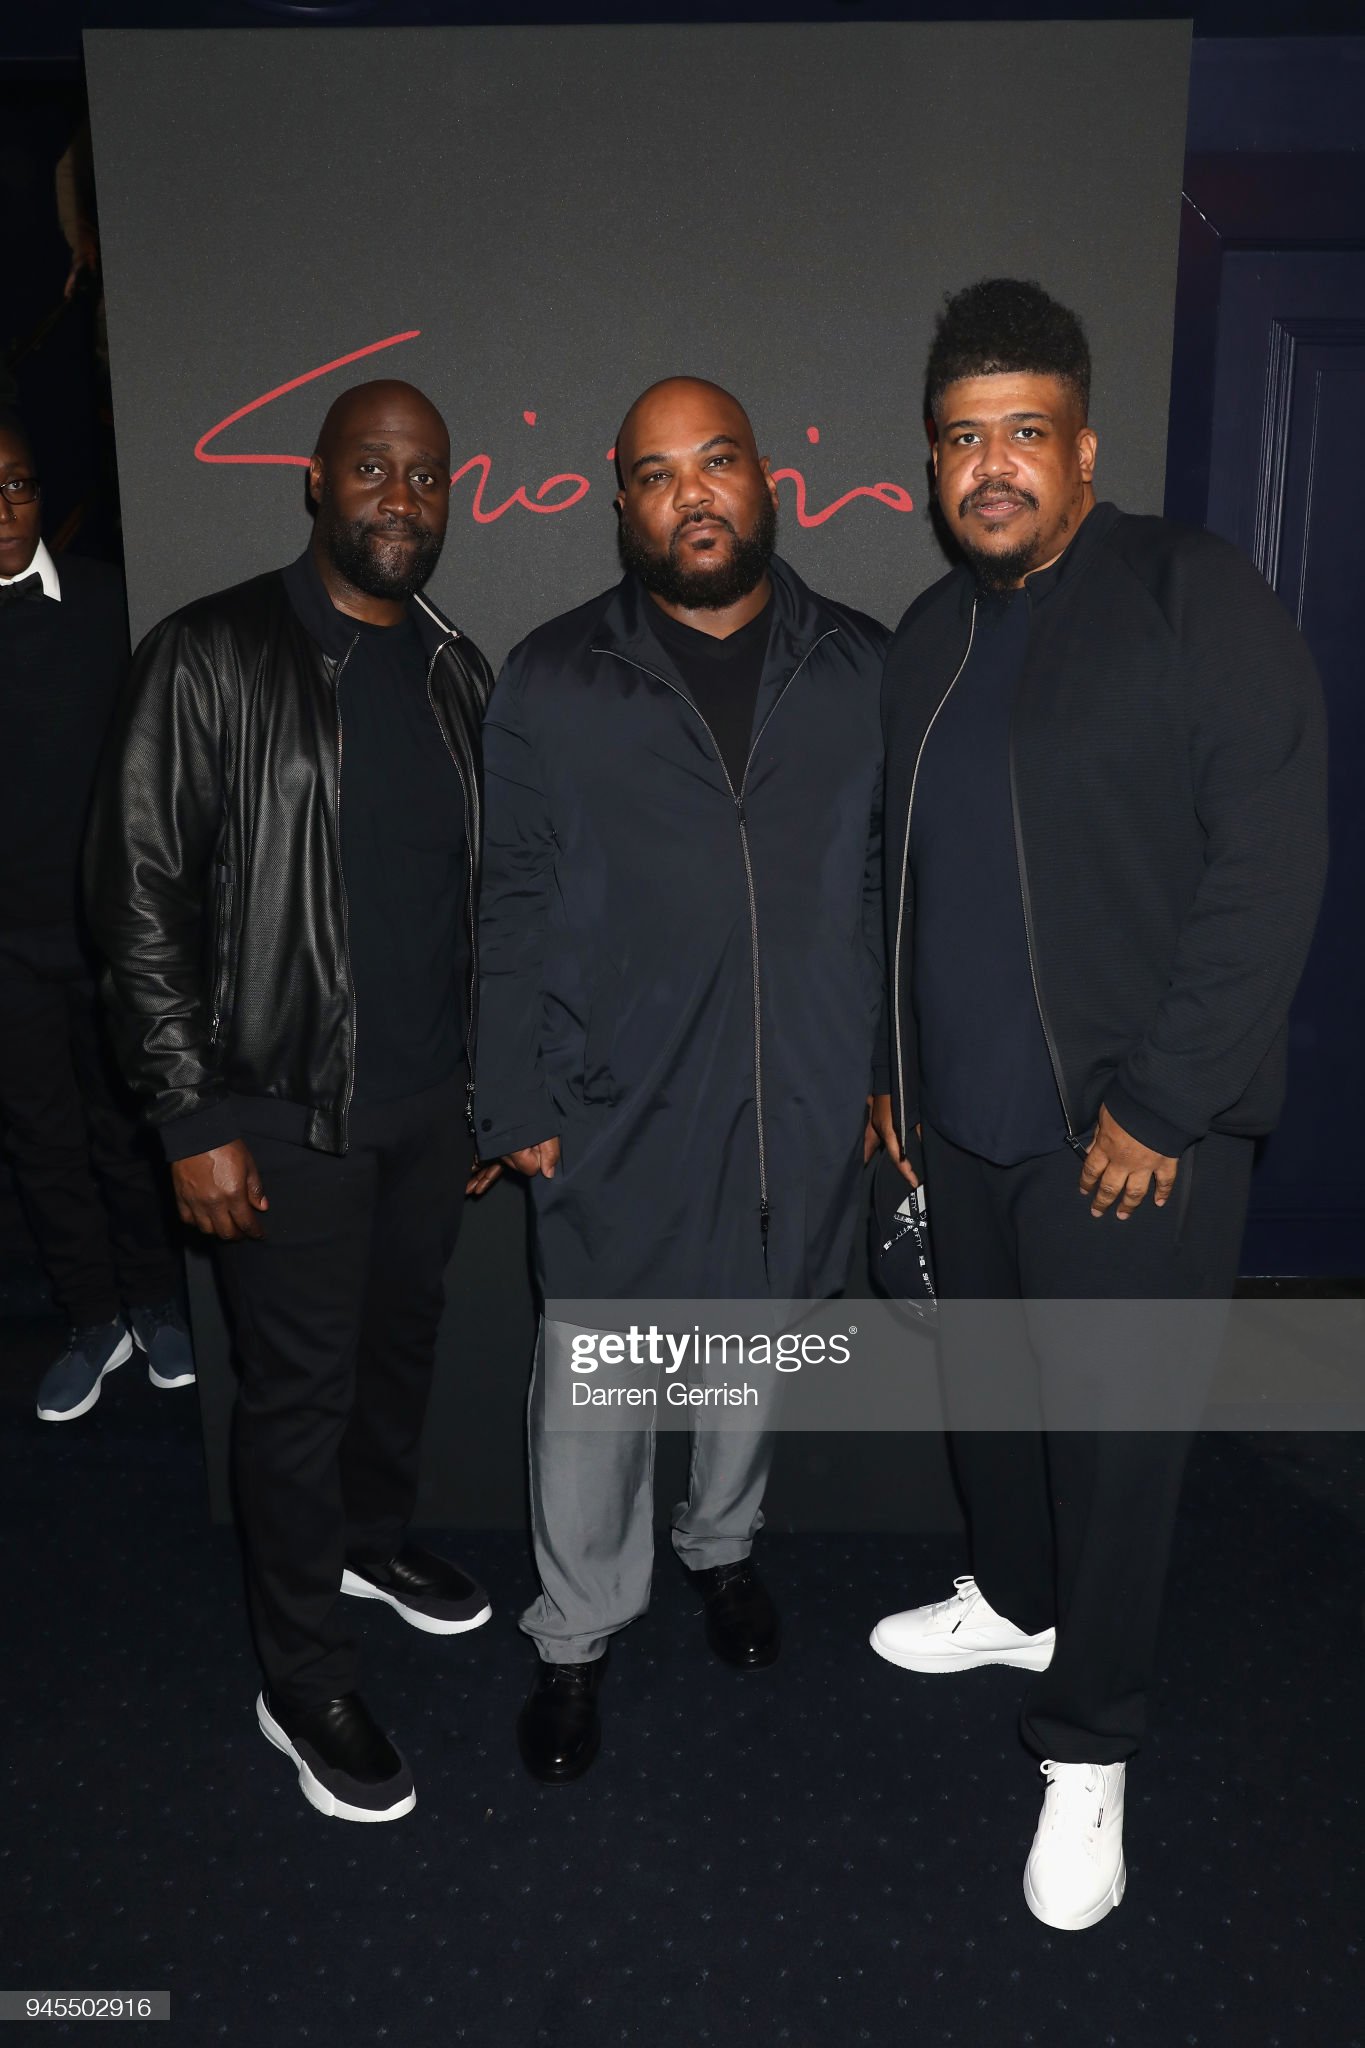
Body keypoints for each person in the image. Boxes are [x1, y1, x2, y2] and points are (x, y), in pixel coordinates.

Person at [869, 280, 1327, 1930]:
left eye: (1025, 436)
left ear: (1085, 447)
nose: (993, 466)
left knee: (1118, 1450)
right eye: (964, 438)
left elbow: (1268, 866)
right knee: (995, 1405)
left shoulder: (1189, 591)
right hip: (969, 1132)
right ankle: (1013, 1592)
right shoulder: (924, 639)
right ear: (934, 459)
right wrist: (898, 1095)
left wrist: (1162, 1100)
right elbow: (905, 894)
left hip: (1137, 1142)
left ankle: (1092, 1742)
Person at [86, 380, 498, 1824]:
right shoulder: (206, 654)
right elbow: (132, 896)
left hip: (425, 1110)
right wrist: (188, 1116)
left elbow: (480, 902)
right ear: (316, 484)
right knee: (298, 1401)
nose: (402, 498)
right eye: (374, 470)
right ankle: (298, 1675)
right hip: (271, 1111)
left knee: (397, 1362)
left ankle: (369, 1547)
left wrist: (483, 1090)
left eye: (428, 479)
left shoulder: (457, 671)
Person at [476, 376, 887, 1783]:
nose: (691, 493)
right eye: (657, 474)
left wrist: (878, 1066)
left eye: (715, 462)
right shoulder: (549, 675)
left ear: (765, 480)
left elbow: (890, 887)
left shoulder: (863, 664)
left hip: (800, 1100)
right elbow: (512, 894)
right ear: (621, 503)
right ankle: (576, 1638)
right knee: (595, 1382)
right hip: (614, 1096)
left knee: (748, 1356)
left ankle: (722, 1550)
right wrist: (509, 1090)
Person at [0, 408, 190, 1419]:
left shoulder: (113, 604)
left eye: (20, 484)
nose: (3, 509)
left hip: (107, 930)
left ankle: (158, 1301)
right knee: (40, 1136)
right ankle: (91, 1314)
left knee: (128, 1122)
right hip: (4, 946)